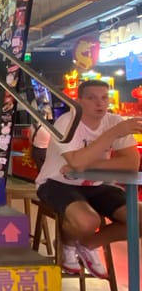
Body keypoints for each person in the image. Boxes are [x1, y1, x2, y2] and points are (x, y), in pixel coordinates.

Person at [36, 79, 142, 279]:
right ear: (79, 101)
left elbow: (131, 164)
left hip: (97, 185)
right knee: (87, 221)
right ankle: (67, 244)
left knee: (139, 219)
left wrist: (85, 164)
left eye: (104, 98)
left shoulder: (115, 121)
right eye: (92, 98)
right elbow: (76, 163)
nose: (100, 103)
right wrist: (112, 135)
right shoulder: (67, 123)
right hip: (57, 182)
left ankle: (88, 245)